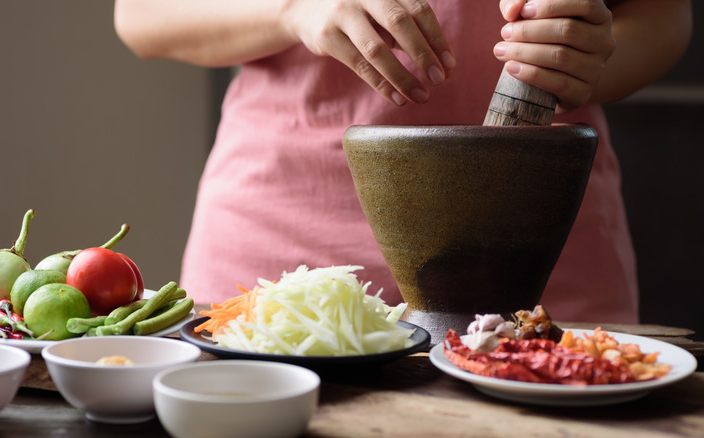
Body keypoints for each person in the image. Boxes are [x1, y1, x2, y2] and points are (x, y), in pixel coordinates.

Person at [113, 0, 692, 323]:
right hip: (284, 257)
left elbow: (664, 16)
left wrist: (592, 62)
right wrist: (292, 10)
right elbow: (140, 15)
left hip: (541, 254)